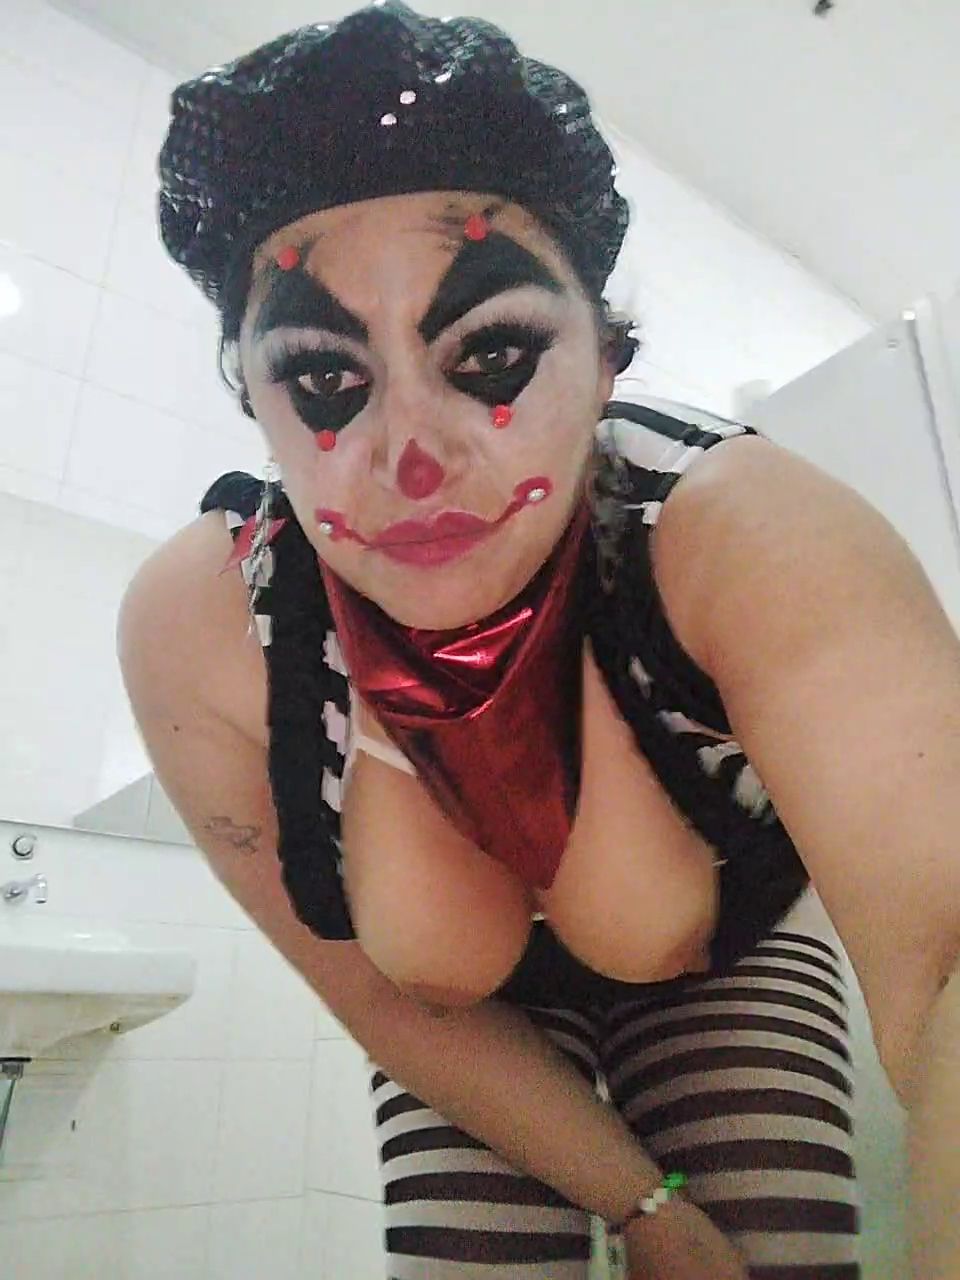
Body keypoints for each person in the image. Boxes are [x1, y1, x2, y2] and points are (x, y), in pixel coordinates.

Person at [117, 4, 960, 1276]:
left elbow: (945, 958)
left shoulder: (743, 531)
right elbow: (378, 990)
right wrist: (650, 1209)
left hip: (724, 952)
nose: (413, 454)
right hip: (460, 1004)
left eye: (494, 350)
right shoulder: (208, 623)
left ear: (609, 361)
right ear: (254, 396)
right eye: (325, 377)